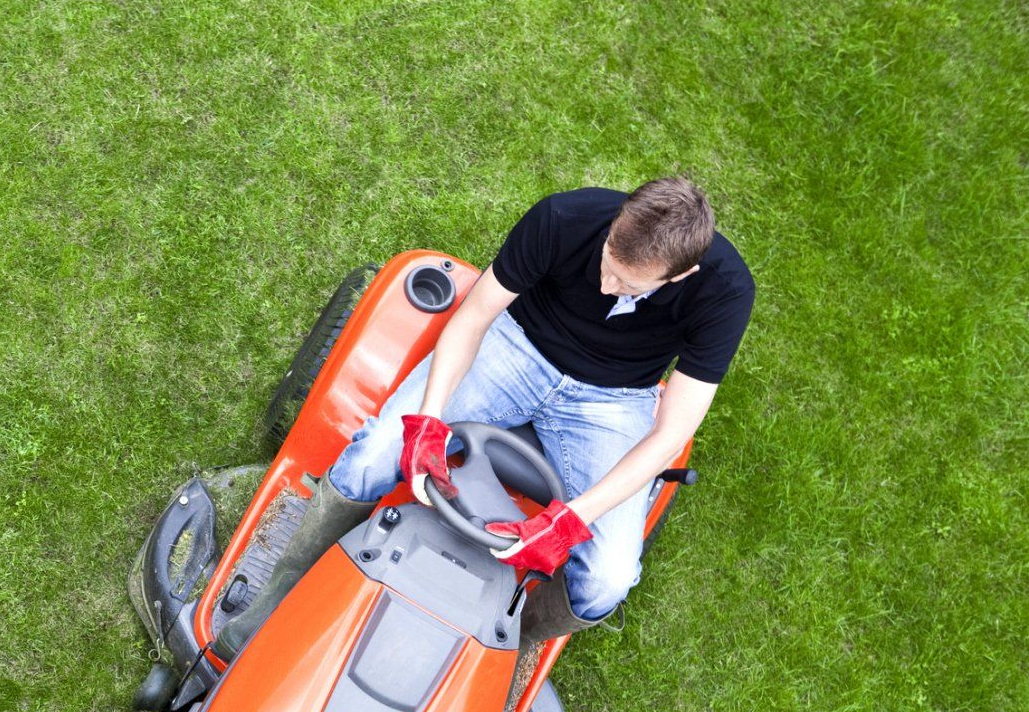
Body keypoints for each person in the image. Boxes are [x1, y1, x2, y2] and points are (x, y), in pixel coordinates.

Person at [215, 178, 754, 660]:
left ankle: (494, 651)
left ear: (683, 274)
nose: (607, 285)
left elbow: (671, 435)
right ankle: (270, 605)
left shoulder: (726, 293)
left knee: (608, 580)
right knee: (375, 454)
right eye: (608, 263)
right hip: (516, 347)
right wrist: (426, 424)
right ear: (617, 222)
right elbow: (474, 316)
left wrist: (568, 520)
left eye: (630, 286)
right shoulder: (563, 217)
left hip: (613, 398)